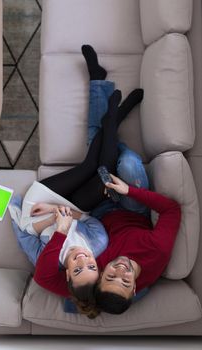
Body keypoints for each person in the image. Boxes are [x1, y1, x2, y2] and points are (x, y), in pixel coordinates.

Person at [33, 45, 181, 316]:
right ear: (136, 288)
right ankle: (113, 125)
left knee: (98, 156)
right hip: (131, 206)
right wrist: (130, 191)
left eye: (109, 276)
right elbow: (172, 209)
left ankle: (107, 106)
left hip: (98, 209)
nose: (119, 270)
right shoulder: (156, 254)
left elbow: (45, 280)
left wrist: (58, 220)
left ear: (100, 279)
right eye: (125, 280)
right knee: (125, 164)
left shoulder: (92, 273)